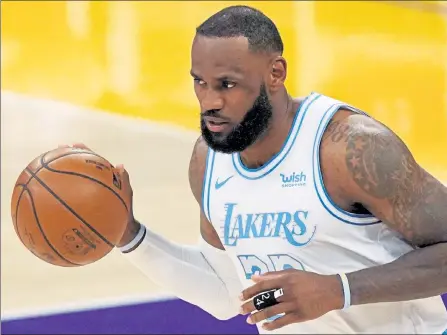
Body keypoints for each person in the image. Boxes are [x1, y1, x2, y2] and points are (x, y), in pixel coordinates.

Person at [71, 5, 447, 334]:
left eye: (227, 84)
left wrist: (339, 289)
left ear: (275, 73)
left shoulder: (349, 149)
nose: (210, 101)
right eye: (199, 82)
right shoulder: (208, 162)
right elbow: (225, 293)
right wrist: (129, 235)